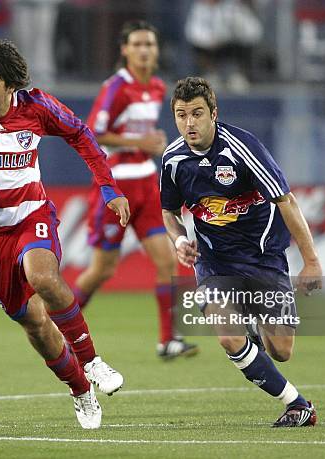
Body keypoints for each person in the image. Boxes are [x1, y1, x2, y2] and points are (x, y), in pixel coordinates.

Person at [0, 40, 130, 430]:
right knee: (34, 324)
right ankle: (81, 390)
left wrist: (108, 187)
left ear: (10, 86)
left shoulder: (36, 106)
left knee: (44, 277)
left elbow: (81, 134)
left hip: (31, 216)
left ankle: (93, 360)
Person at [161, 77, 322, 427]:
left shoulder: (242, 148)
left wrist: (311, 261)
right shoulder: (173, 160)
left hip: (263, 257)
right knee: (227, 334)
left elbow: (287, 201)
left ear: (214, 114)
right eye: (181, 115)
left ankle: (252, 330)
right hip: (214, 262)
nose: (189, 123)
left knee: (282, 351)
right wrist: (178, 241)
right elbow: (169, 213)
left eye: (197, 114)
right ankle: (297, 404)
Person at [72, 20, 199, 360]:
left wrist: (151, 143)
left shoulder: (157, 87)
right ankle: (60, 323)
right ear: (125, 50)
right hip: (116, 185)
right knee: (103, 270)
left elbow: (139, 133)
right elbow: (92, 132)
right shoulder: (116, 87)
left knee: (167, 260)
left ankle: (167, 340)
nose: (145, 50)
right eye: (138, 45)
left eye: (150, 45)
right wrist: (138, 141)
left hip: (146, 181)